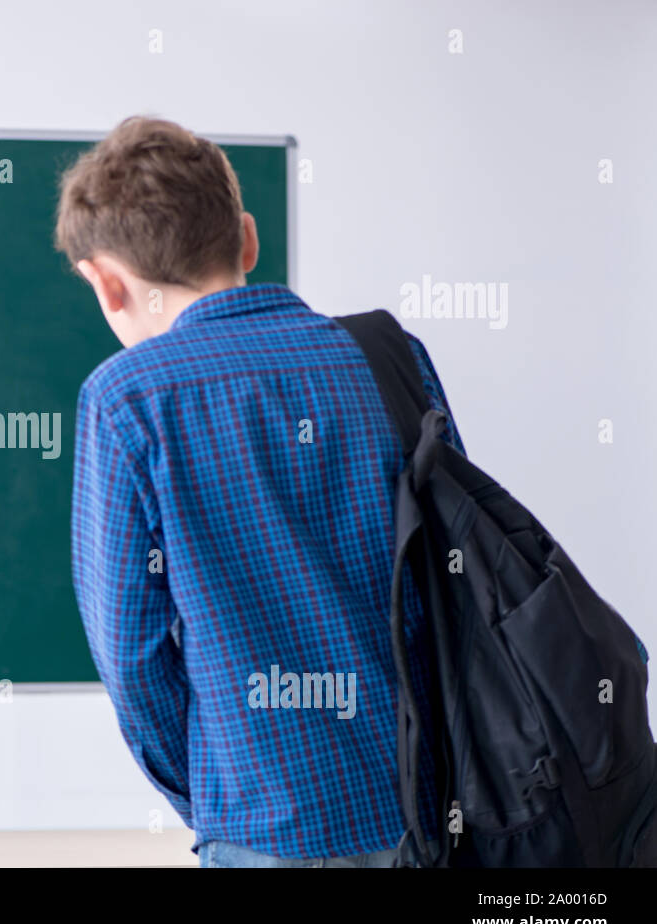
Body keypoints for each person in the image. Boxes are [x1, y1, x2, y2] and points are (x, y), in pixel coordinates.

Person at [57, 116, 454, 867]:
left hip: (263, 819)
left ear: (107, 282)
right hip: (420, 805)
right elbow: (452, 581)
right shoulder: (392, 356)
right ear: (246, 238)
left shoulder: (126, 400)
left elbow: (133, 662)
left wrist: (215, 794)